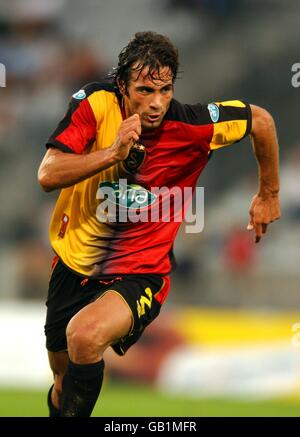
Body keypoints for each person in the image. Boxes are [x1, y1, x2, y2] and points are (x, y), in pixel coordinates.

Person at [38, 31, 280, 417]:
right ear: (122, 86)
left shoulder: (194, 126)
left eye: (165, 90)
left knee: (84, 336)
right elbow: (48, 174)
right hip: (71, 266)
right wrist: (112, 153)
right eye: (144, 90)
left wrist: (268, 194)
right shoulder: (96, 103)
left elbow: (261, 121)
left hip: (140, 272)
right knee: (63, 385)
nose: (155, 103)